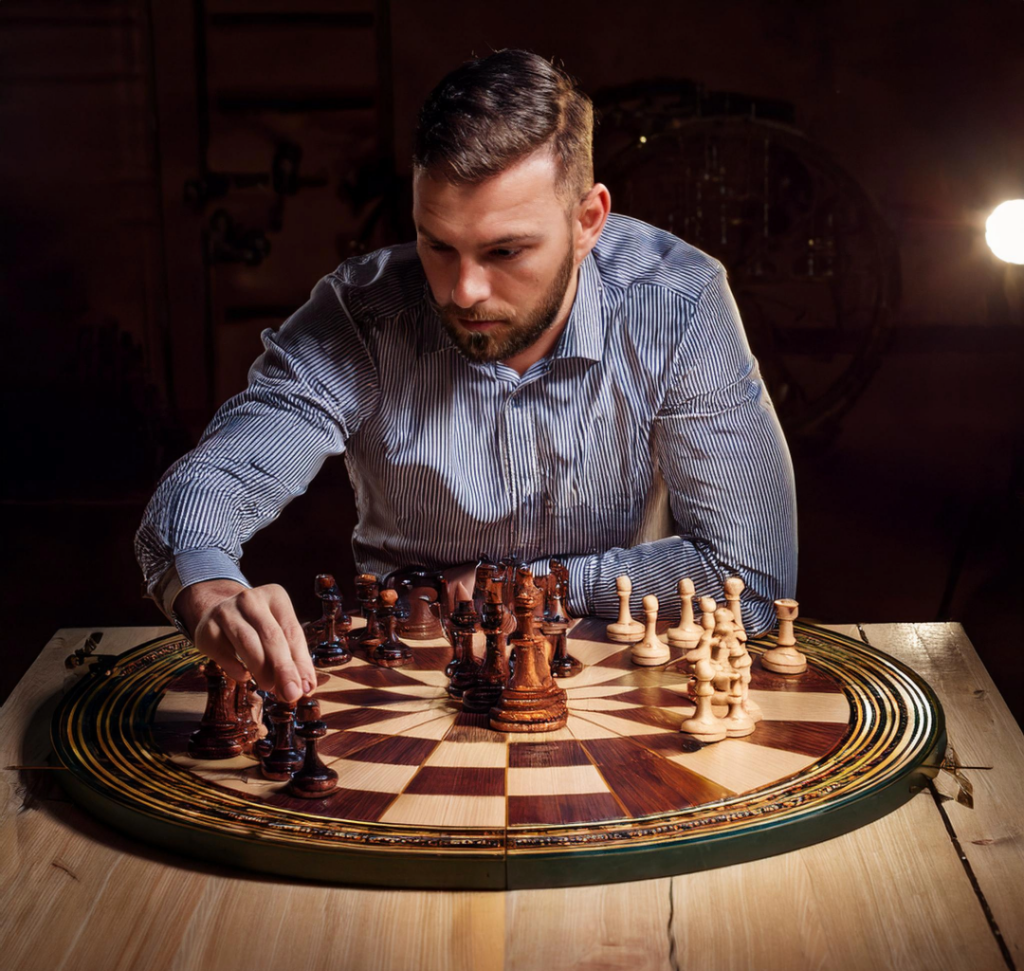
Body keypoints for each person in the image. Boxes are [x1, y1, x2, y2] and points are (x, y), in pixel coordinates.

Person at [136, 49, 797, 703]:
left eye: (505, 250)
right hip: (408, 683)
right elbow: (217, 478)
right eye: (438, 244)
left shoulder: (678, 303)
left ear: (588, 220)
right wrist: (211, 589)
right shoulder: (362, 314)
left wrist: (513, 586)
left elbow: (752, 584)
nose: (462, 290)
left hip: (615, 683)